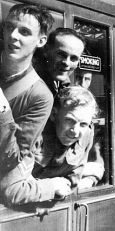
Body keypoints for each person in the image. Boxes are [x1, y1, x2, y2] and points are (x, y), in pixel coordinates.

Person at [0, 4, 74, 205]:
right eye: (9, 27)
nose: (13, 36)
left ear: (41, 41)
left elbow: (13, 160)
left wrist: (3, 110)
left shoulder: (40, 96)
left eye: (24, 32)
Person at [32, 86, 99, 191]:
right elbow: (15, 185)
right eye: (70, 120)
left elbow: (75, 176)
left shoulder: (87, 133)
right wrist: (50, 186)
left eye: (83, 124)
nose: (75, 131)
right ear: (54, 114)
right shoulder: (35, 133)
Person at [34, 27, 85, 95]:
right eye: (61, 54)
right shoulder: (31, 83)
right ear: (46, 51)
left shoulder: (63, 85)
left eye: (73, 58)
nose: (67, 63)